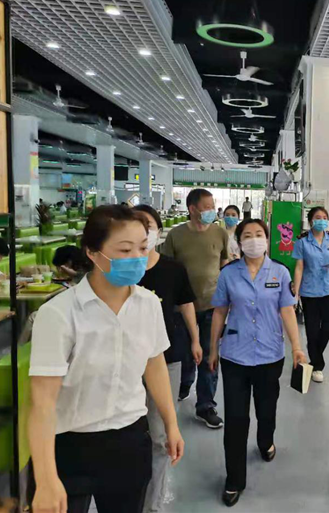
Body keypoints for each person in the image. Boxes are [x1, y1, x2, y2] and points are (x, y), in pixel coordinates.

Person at [28, 205, 184, 513]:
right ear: (92, 252)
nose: (137, 257)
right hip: (71, 444)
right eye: (124, 250)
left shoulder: (149, 305)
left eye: (142, 248)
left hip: (129, 441)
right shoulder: (58, 314)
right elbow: (42, 401)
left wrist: (171, 424)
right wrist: (45, 478)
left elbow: (154, 365)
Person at [208, 218, 307, 507]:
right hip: (235, 356)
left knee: (266, 409)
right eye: (248, 235)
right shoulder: (229, 274)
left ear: (267, 238)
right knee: (236, 419)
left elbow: (287, 311)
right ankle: (234, 479)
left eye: (259, 234)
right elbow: (219, 312)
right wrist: (213, 349)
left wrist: (297, 348)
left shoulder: (280, 272)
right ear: (239, 242)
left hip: (269, 355)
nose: (254, 240)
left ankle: (266, 441)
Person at [133, 204, 202, 513]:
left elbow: (186, 304)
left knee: (161, 434)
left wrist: (196, 339)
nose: (143, 231)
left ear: (158, 231)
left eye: (148, 225)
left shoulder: (173, 269)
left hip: (166, 357)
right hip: (126, 360)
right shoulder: (119, 271)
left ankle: (153, 504)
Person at [161, 188, 228, 429]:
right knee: (185, 353)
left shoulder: (219, 233)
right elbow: (167, 269)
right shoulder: (176, 236)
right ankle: (184, 385)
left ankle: (206, 405)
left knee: (210, 355)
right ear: (192, 209)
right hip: (181, 308)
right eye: (207, 207)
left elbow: (224, 265)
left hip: (212, 306)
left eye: (213, 206)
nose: (212, 210)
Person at [292, 207, 329, 383]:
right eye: (318, 217)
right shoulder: (302, 241)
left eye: (324, 217)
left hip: (328, 289)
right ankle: (317, 365)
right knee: (312, 330)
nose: (322, 220)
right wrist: (296, 293)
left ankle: (315, 353)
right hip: (309, 291)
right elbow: (299, 268)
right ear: (311, 221)